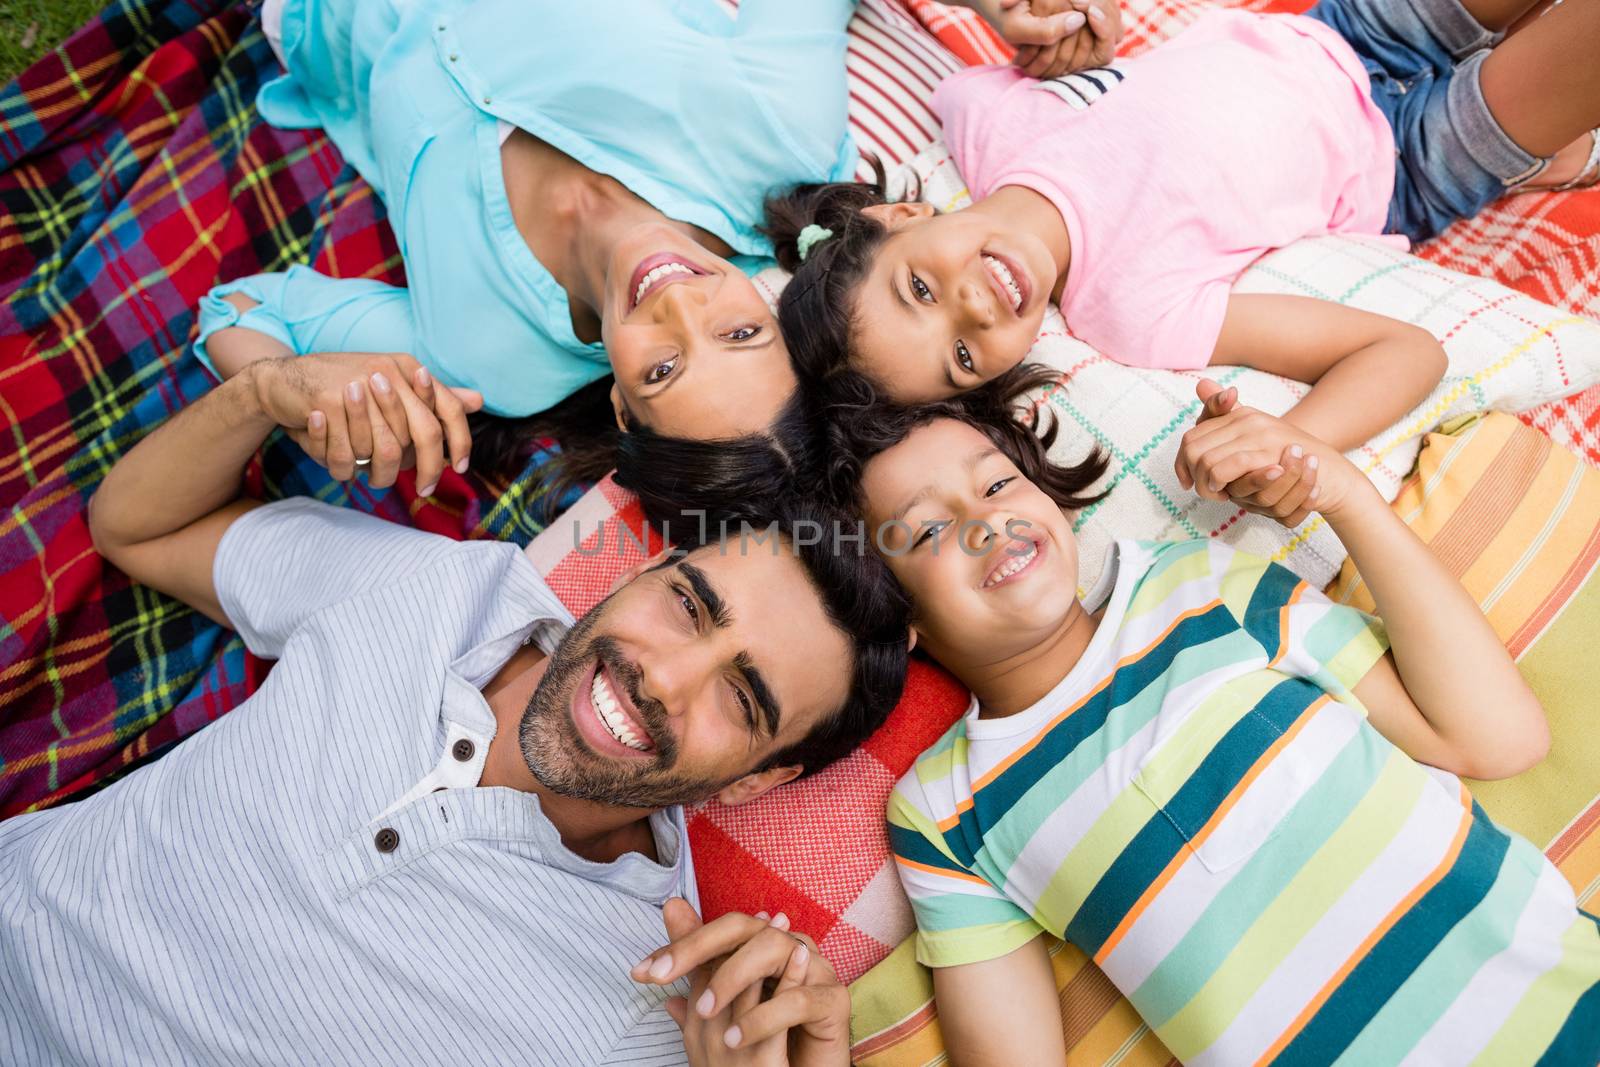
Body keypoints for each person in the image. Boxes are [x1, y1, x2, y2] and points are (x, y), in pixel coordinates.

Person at [0, 354, 913, 1066]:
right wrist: (268, 392)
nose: (662, 679)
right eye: (687, 606)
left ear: (760, 777)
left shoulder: (648, 1008)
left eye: (741, 697)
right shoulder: (442, 588)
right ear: (641, 572)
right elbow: (136, 525)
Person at [820, 383, 1599, 1064]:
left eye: (997, 483)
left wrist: (1347, 495)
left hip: (1563, 997)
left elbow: (1499, 738)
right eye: (925, 530)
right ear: (894, 611)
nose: (985, 523)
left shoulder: (1202, 587)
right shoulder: (944, 811)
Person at [197, 0, 1103, 512]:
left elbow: (237, 311)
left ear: (626, 409)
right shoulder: (773, 140)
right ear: (769, 298)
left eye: (666, 367)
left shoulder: (488, 364)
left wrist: (288, 387)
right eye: (741, 331)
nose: (676, 307)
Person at [764, 0, 1600, 459]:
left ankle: (1557, 154)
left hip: (1336, 29)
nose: (975, 312)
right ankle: (1550, 155)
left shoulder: (980, 121)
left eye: (919, 289)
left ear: (899, 215)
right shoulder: (1135, 314)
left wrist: (1082, 39)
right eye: (964, 357)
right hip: (1407, 157)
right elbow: (1407, 353)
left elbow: (1086, 69)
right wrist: (1287, 444)